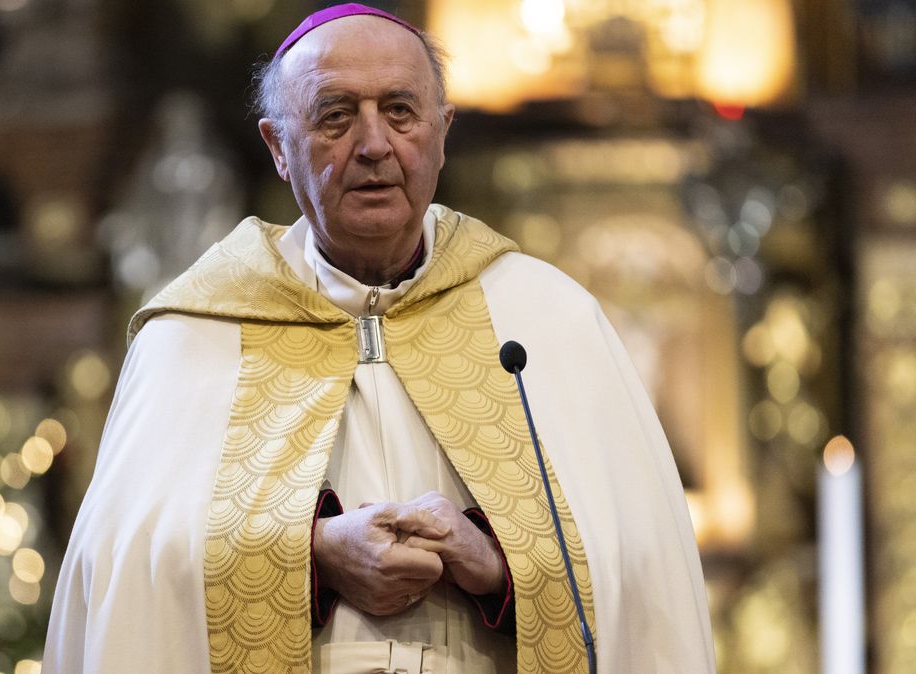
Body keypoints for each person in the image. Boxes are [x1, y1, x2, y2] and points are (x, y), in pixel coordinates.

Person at [44, 4, 715, 673]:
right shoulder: (201, 332)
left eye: (400, 111)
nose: (373, 145)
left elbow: (642, 558)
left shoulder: (544, 317)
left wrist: (499, 563)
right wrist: (311, 553)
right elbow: (123, 569)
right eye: (335, 116)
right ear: (278, 147)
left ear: (442, 132)